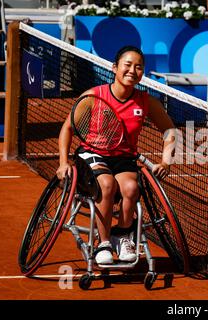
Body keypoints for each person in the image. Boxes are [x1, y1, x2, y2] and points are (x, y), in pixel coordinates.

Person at [56, 46, 176, 265]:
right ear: (115, 68)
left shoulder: (146, 101)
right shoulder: (93, 96)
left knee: (131, 188)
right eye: (127, 65)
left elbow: (170, 131)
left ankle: (120, 235)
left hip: (123, 159)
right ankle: (103, 244)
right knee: (107, 185)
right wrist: (63, 163)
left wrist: (166, 161)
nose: (133, 70)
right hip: (91, 155)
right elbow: (67, 129)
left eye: (138, 67)